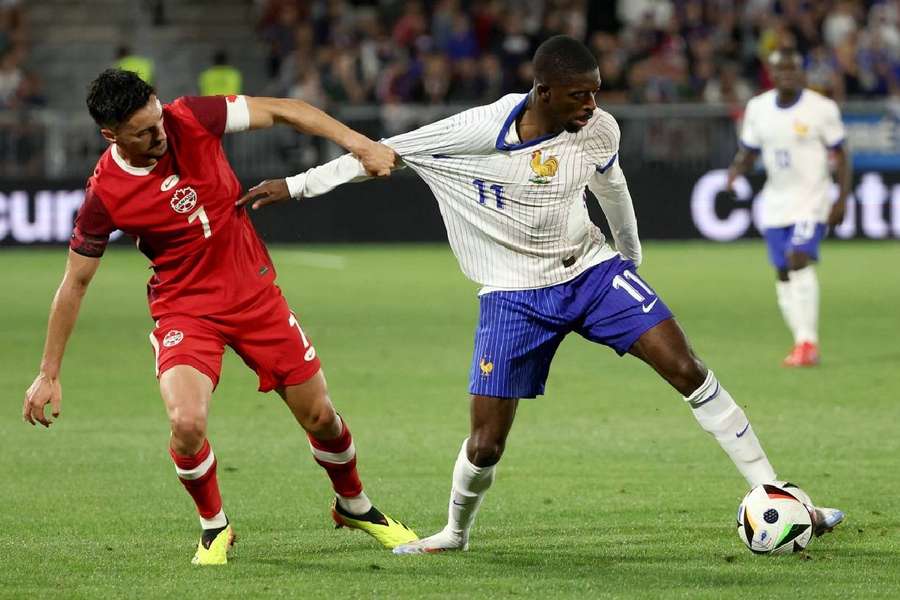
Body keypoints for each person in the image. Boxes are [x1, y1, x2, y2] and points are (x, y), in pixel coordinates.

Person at [237, 36, 845, 554]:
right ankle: (454, 531)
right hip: (513, 294)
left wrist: (629, 259)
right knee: (487, 441)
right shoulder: (477, 129)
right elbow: (378, 156)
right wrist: (294, 185)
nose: (593, 103)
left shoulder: (597, 128)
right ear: (543, 90)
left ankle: (779, 495)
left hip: (590, 271)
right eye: (580, 93)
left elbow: (614, 191)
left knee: (688, 369)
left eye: (598, 90)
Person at [21, 69, 416, 566]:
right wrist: (48, 372)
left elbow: (285, 109)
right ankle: (215, 526)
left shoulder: (189, 117)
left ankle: (354, 505)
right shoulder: (106, 193)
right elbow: (75, 282)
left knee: (321, 417)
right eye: (142, 132)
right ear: (111, 135)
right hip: (185, 308)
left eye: (157, 118)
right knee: (186, 422)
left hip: (254, 296)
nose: (159, 134)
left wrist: (361, 145)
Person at [725, 49, 851, 367]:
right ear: (771, 72)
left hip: (812, 198)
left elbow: (843, 154)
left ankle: (808, 343)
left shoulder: (821, 108)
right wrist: (735, 171)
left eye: (794, 69)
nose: (788, 75)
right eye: (781, 69)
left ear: (802, 71)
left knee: (798, 259)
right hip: (776, 201)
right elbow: (750, 150)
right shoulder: (758, 108)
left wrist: (841, 198)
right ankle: (801, 341)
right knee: (782, 272)